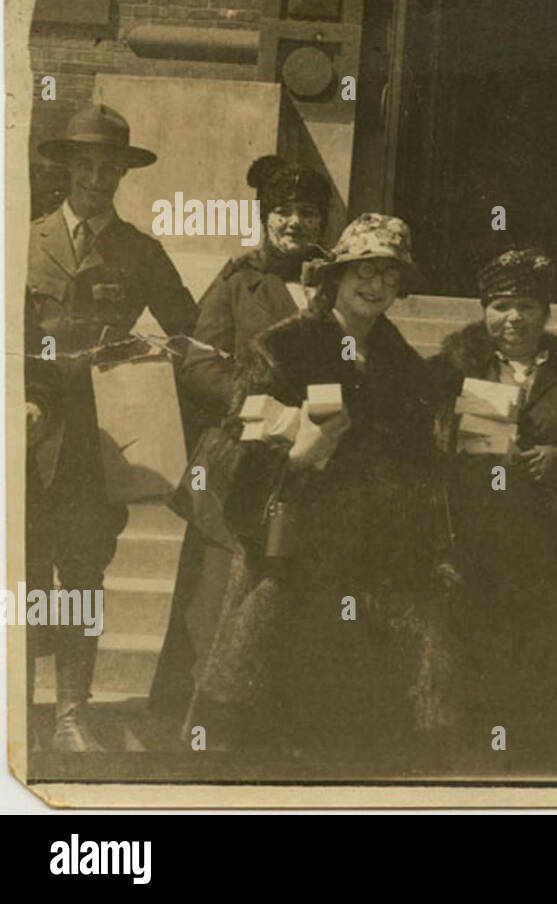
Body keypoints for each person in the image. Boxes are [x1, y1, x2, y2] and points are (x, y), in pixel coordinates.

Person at [192, 214, 463, 760]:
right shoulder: (285, 346)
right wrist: (293, 453)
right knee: (270, 722)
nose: (376, 286)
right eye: (363, 271)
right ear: (334, 278)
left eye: (389, 275)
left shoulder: (403, 363)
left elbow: (419, 463)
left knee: (360, 726)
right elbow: (228, 446)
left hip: (375, 564)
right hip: (293, 554)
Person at [26, 103, 198, 751]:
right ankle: (18, 701)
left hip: (96, 447)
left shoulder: (139, 252)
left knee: (83, 571)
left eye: (111, 168)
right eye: (87, 165)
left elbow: (192, 330)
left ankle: (72, 712)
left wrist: (149, 357)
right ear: (66, 167)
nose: (98, 179)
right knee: (21, 573)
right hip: (26, 432)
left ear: (123, 176)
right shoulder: (23, 238)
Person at [152, 155, 332, 721]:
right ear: (265, 218)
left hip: (310, 463)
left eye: (307, 213)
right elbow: (196, 363)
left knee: (285, 593)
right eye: (283, 212)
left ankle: (269, 719)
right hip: (238, 459)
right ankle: (190, 720)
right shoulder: (239, 281)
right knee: (214, 593)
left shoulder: (336, 284)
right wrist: (260, 403)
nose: (296, 223)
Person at [430, 248, 557, 753]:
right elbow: (418, 448)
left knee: (553, 676)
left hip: (554, 556)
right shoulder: (449, 370)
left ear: (546, 313)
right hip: (476, 548)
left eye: (527, 307)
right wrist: (452, 440)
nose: (513, 318)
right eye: (500, 306)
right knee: (478, 673)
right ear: (483, 310)